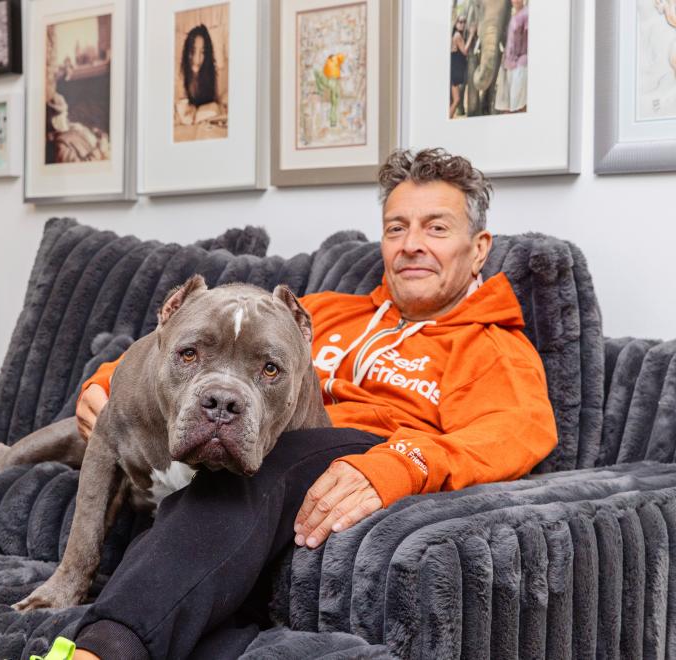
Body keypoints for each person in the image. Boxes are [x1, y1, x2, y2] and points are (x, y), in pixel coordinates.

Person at [71, 148, 558, 659]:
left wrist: (400, 464)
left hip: (359, 451)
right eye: (396, 228)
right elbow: (197, 341)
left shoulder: (493, 348)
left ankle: (103, 650)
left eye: (436, 228)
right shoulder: (322, 313)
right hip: (275, 443)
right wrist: (104, 386)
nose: (412, 245)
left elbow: (512, 434)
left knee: (263, 469)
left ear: (479, 248)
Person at [174, 23, 223, 127]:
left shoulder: (212, 74)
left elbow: (218, 104)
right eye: (193, 51)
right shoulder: (180, 75)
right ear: (187, 51)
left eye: (203, 52)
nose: (197, 59)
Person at [494, 0, 529, 114]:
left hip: (521, 64)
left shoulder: (527, 14)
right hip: (508, 65)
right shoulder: (514, 16)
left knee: (519, 105)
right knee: (507, 107)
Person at [449, 14, 475, 119]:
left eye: (464, 22)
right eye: (460, 22)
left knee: (454, 99)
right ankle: (448, 118)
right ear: (456, 23)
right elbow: (464, 51)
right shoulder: (457, 36)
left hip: (455, 70)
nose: (462, 24)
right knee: (457, 100)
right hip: (455, 72)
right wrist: (472, 35)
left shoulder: (456, 34)